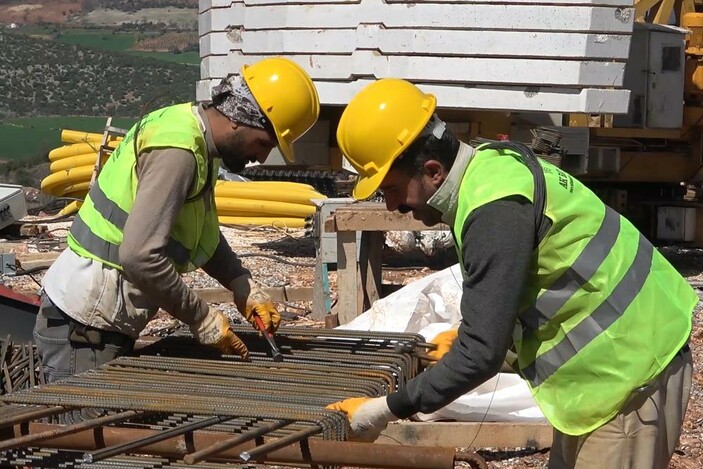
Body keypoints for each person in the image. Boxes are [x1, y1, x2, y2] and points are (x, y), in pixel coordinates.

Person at [327, 78, 696, 469]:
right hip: (607, 370)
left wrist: (383, 410)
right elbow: (530, 290)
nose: (394, 205)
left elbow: (479, 356)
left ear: (433, 171)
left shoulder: (493, 210)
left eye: (393, 188)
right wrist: (469, 339)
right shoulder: (487, 169)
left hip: (631, 369)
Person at [34, 57, 320, 383]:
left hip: (102, 321)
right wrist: (201, 318)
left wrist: (242, 284)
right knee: (78, 431)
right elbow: (140, 256)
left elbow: (202, 237)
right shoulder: (179, 150)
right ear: (240, 119)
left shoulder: (200, 142)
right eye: (264, 142)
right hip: (84, 327)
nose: (262, 157)